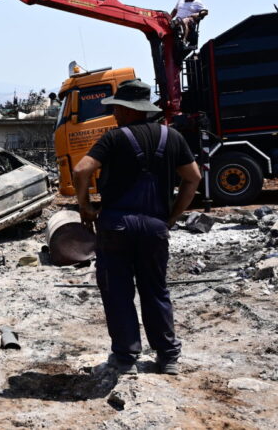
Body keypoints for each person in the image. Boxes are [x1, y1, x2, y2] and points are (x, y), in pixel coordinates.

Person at [72, 80, 201, 376]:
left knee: (117, 290)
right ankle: (167, 357)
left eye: (116, 107)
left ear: (128, 109)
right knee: (155, 290)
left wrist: (85, 207)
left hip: (116, 226)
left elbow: (81, 169)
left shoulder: (114, 138)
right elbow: (192, 178)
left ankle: (126, 358)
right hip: (155, 226)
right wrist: (173, 215)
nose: (114, 113)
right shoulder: (172, 137)